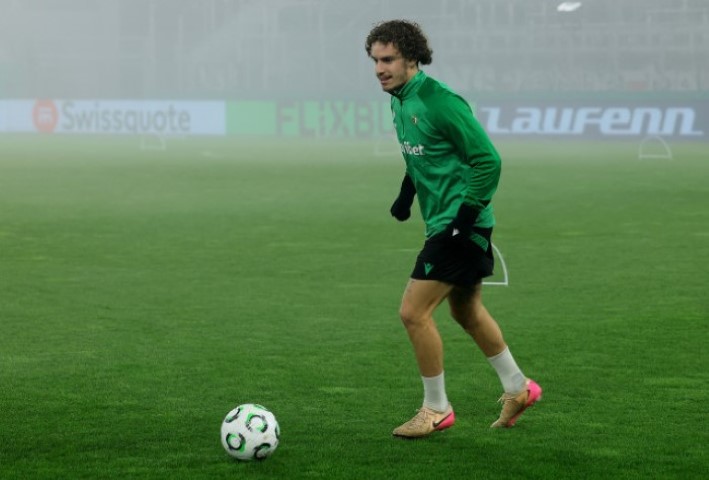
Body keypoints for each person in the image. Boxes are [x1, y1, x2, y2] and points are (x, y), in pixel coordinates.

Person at [365, 19, 542, 438]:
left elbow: (488, 161)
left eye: (388, 60)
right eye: (375, 60)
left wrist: (463, 220)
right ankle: (518, 387)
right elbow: (422, 157)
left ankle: (436, 408)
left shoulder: (439, 101)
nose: (379, 69)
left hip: (461, 225)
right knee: (466, 310)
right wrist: (407, 194)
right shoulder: (399, 100)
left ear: (411, 58)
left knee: (413, 313)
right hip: (444, 224)